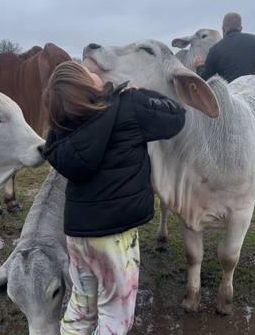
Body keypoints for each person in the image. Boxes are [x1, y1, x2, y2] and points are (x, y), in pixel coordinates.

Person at [42, 61, 186, 335]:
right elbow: (176, 118)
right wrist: (143, 94)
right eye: (87, 72)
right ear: (86, 86)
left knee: (81, 307)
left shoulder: (63, 128)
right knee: (116, 316)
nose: (95, 71)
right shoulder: (128, 104)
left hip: (77, 234)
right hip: (114, 237)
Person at [193, 12, 255, 82]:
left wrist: (200, 67)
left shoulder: (215, 50)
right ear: (240, 28)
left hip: (231, 97)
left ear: (223, 28)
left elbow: (204, 80)